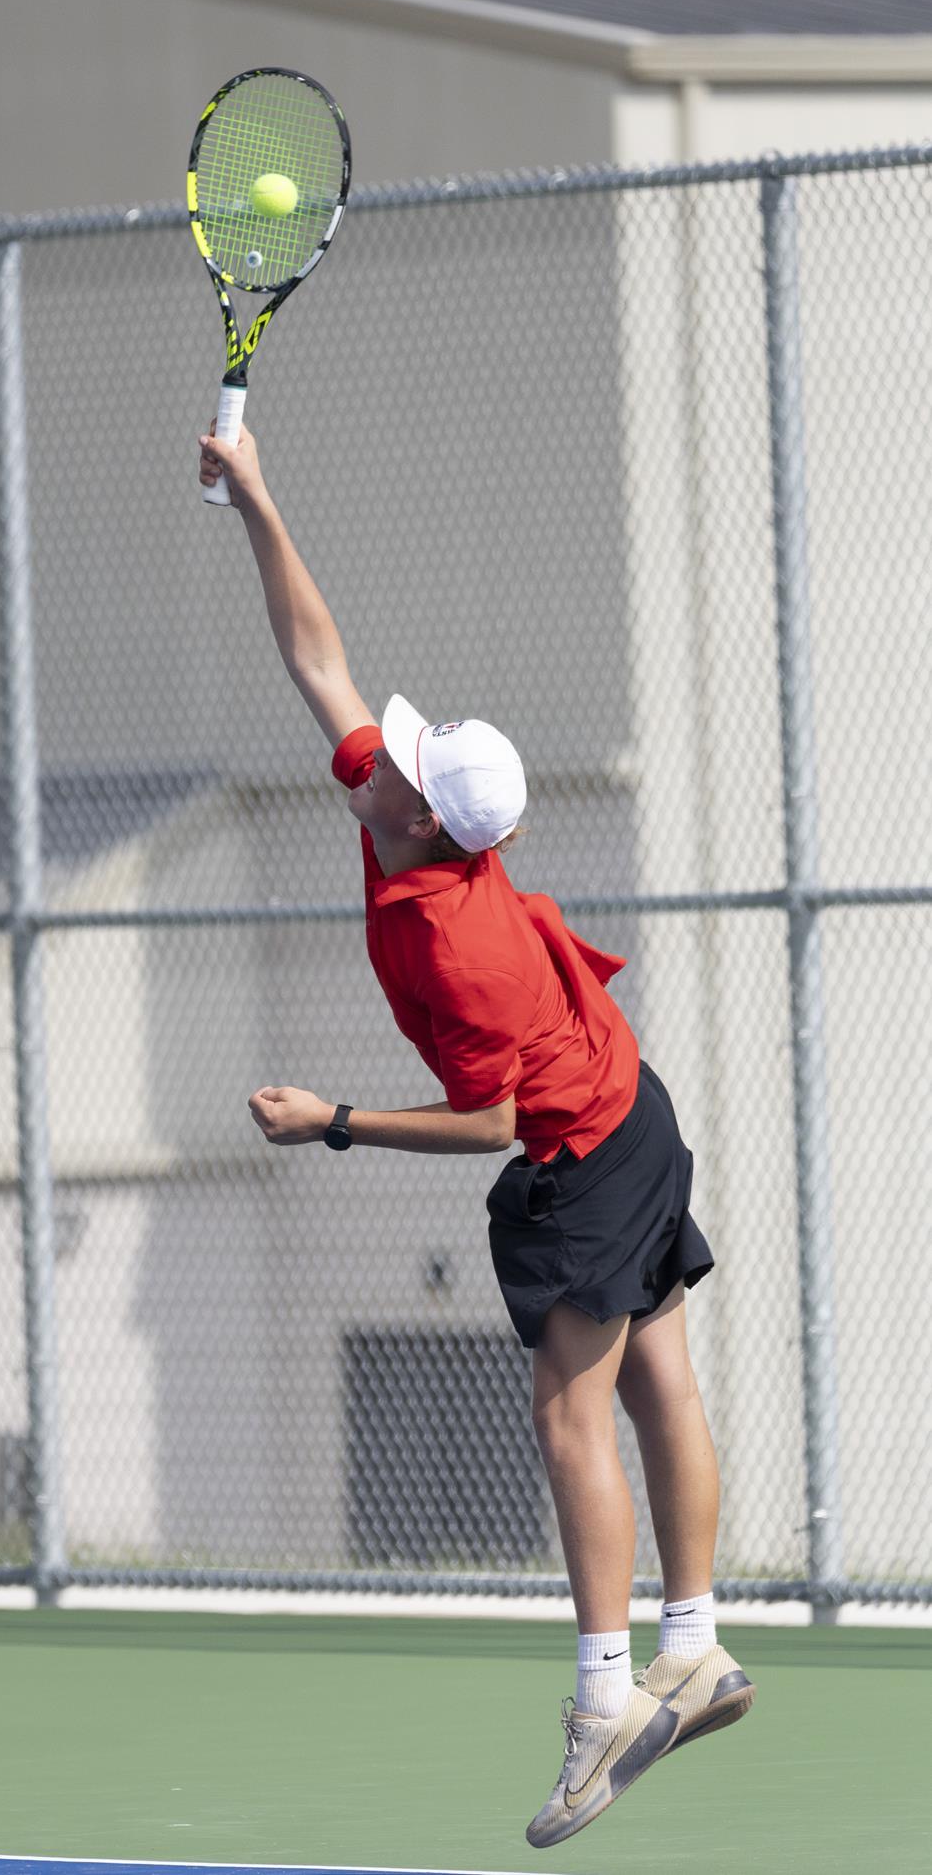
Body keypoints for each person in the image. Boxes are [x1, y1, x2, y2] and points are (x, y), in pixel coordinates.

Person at [199, 420, 755, 1845]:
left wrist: (331, 1124)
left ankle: (607, 1699)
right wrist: (257, 493)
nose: (385, 748)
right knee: (658, 1387)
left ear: (423, 818)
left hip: (579, 1147)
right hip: (636, 1103)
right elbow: (315, 651)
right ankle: (690, 1643)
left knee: (572, 1413)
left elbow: (491, 1120)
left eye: (408, 758)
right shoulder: (412, 813)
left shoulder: (457, 949)